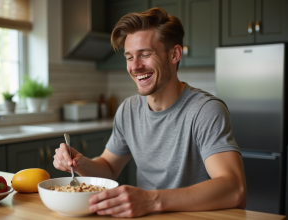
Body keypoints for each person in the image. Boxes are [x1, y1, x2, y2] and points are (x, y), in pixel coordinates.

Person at [53, 7, 247, 218]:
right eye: (129, 57)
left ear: (174, 54)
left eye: (145, 54)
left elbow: (234, 189)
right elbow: (108, 167)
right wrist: (81, 163)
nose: (135, 66)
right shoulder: (128, 110)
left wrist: (151, 199)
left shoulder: (205, 110)